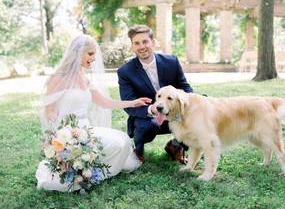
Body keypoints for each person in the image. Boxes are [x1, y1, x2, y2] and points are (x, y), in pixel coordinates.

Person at [35, 34, 151, 192]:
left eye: (94, 54)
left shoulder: (84, 77)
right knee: (116, 144)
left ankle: (94, 172)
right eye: (90, 54)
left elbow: (104, 102)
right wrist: (62, 136)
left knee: (123, 141)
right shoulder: (58, 77)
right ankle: (84, 171)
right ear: (78, 53)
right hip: (68, 133)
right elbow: (49, 111)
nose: (94, 59)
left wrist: (133, 102)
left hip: (86, 130)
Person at [117, 25, 193, 164]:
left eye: (145, 42)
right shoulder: (125, 71)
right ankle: (138, 151)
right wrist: (150, 109)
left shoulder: (172, 62)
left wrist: (194, 102)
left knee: (194, 113)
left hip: (173, 112)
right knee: (148, 126)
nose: (141, 47)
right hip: (148, 118)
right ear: (132, 46)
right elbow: (128, 103)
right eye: (137, 43)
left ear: (153, 42)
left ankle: (175, 146)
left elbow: (185, 87)